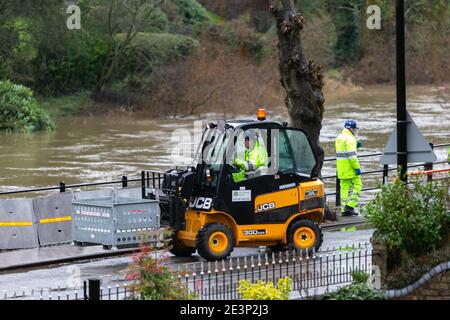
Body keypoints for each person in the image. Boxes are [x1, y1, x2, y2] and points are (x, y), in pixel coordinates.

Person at [335, 120, 362, 216]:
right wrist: (357, 168)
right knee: (358, 185)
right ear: (350, 128)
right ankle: (350, 206)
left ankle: (343, 210)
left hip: (341, 168)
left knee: (344, 189)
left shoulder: (339, 137)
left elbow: (343, 152)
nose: (355, 131)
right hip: (350, 167)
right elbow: (351, 156)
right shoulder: (350, 139)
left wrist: (356, 147)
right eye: (354, 129)